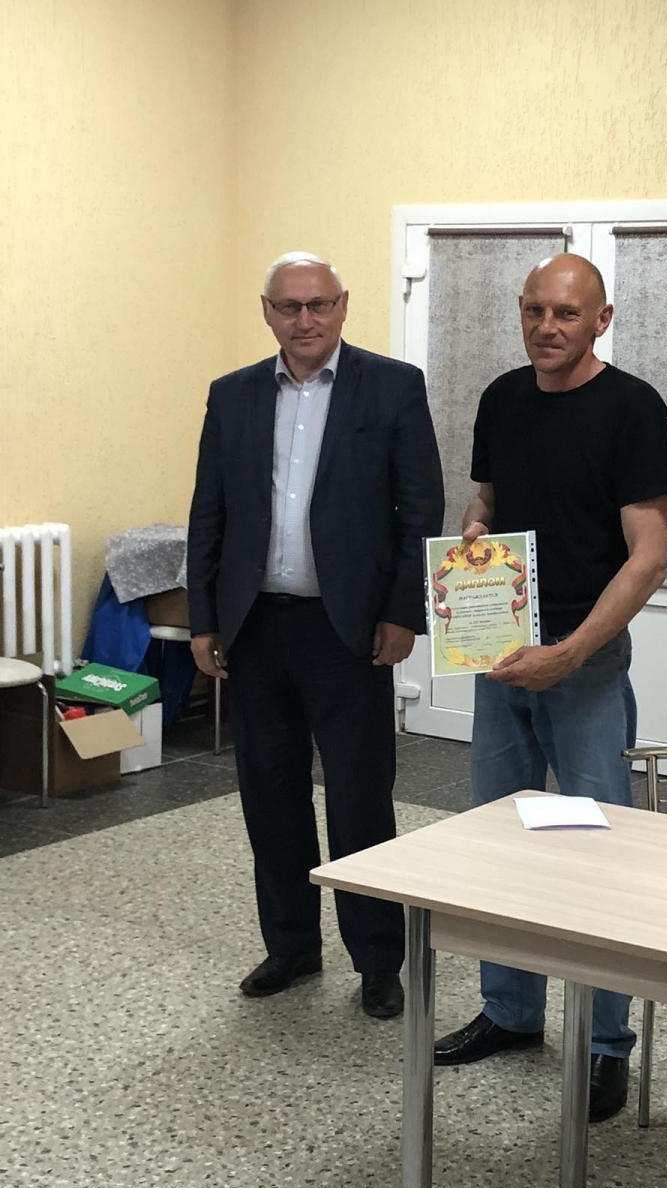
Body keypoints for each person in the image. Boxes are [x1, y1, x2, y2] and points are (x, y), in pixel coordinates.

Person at [433, 253, 667, 1120]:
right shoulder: (502, 398)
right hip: (500, 657)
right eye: (535, 310)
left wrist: (570, 654)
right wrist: (474, 531)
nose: (547, 327)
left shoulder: (633, 409)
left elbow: (649, 558)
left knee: (594, 854)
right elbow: (488, 501)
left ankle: (608, 1044)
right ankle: (510, 1011)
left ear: (601, 320)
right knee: (499, 840)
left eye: (567, 314)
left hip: (583, 667)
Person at [187, 251, 444, 1018]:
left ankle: (378, 959)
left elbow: (419, 510)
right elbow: (208, 512)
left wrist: (403, 613)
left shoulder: (393, 387)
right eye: (289, 306)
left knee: (360, 798)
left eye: (319, 304)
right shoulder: (232, 395)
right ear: (267, 311)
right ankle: (292, 946)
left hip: (350, 631)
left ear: (343, 305)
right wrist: (204, 618)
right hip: (256, 627)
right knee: (269, 795)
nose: (306, 320)